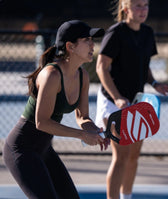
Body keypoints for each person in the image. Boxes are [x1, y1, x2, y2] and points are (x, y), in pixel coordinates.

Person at [3, 20, 109, 199]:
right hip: (21, 149)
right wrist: (82, 135)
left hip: (44, 150)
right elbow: (41, 122)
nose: (92, 44)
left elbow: (83, 117)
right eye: (86, 40)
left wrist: (96, 132)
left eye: (92, 39)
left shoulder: (82, 75)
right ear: (70, 46)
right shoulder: (51, 75)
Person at [95, 0, 168, 198]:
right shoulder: (115, 33)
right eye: (138, 5)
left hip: (136, 102)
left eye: (146, 5)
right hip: (113, 102)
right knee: (120, 156)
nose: (143, 10)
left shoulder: (147, 33)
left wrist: (155, 84)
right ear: (125, 8)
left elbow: (143, 64)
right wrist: (117, 98)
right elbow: (101, 67)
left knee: (133, 156)